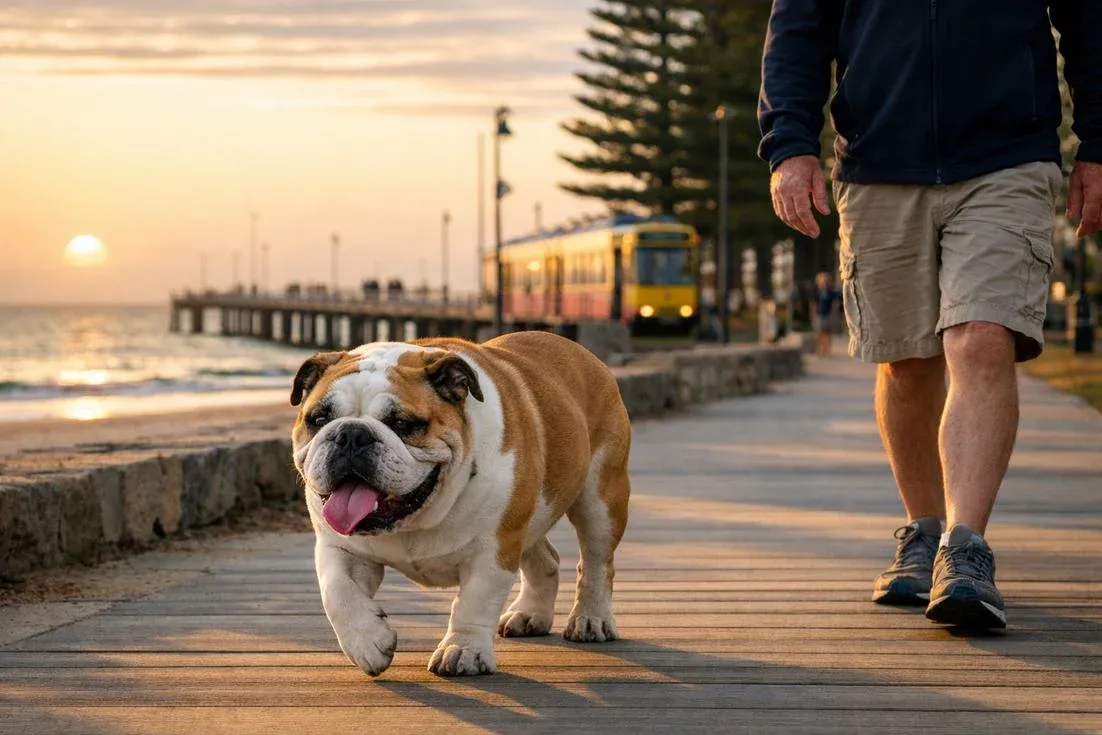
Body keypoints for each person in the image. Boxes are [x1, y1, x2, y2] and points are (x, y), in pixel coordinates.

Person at [759, 0, 1102, 629]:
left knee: (980, 337)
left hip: (1006, 158)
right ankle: (923, 530)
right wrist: (789, 145)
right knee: (907, 362)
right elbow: (800, 30)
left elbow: (1089, 21)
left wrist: (1099, 144)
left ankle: (965, 549)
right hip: (878, 162)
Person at [811, 272, 840, 356]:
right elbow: (813, 303)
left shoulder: (830, 291)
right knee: (819, 333)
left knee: (827, 332)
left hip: (828, 314)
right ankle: (819, 350)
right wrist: (812, 314)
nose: (824, 282)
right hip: (819, 314)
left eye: (825, 280)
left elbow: (835, 300)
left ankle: (827, 349)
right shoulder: (816, 291)